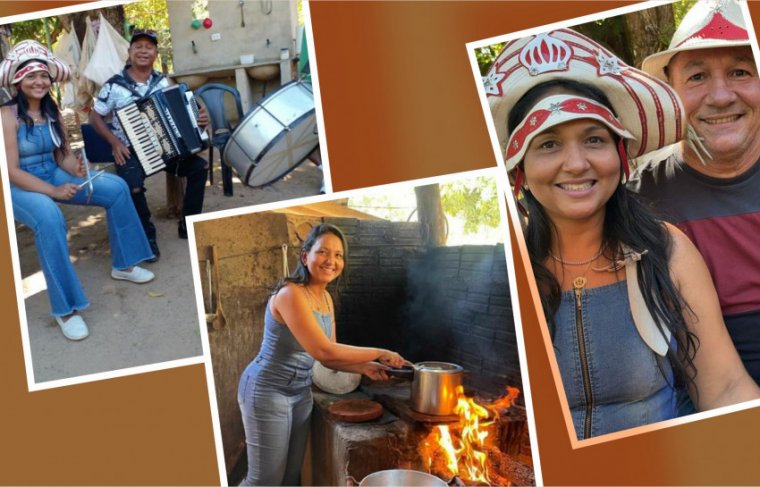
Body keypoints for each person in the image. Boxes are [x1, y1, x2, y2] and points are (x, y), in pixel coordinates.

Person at [484, 28, 760, 439]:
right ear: (519, 170)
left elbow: (724, 388)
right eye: (548, 144)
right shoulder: (505, 271)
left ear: (621, 155)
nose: (576, 164)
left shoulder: (667, 251)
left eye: (593, 139)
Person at [629, 0, 760, 385]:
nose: (720, 97)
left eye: (740, 71)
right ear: (671, 92)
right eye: (697, 76)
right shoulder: (638, 198)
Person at [0, 40, 155, 341]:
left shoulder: (52, 111)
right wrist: (54, 192)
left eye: (43, 75)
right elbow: (13, 171)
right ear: (18, 81)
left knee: (115, 187)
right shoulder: (6, 116)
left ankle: (124, 264)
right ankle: (66, 310)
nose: (39, 81)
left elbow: (62, 155)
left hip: (52, 171)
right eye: (30, 75)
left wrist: (76, 169)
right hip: (19, 184)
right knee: (49, 217)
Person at [238, 223, 405, 485]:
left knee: (292, 477)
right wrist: (381, 352)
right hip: (267, 391)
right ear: (306, 256)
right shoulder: (290, 294)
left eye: (339, 255)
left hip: (300, 393)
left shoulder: (326, 298)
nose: (332, 261)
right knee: (264, 481)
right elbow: (323, 350)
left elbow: (329, 359)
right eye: (324, 252)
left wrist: (365, 367)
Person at [90, 28, 209, 261]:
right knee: (132, 186)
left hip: (168, 149)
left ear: (155, 53)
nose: (143, 51)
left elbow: (187, 107)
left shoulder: (164, 81)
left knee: (199, 168)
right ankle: (148, 237)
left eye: (149, 47)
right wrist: (114, 142)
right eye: (138, 46)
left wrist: (200, 118)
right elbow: (95, 117)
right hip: (132, 150)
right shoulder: (114, 85)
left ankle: (188, 225)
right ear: (130, 51)